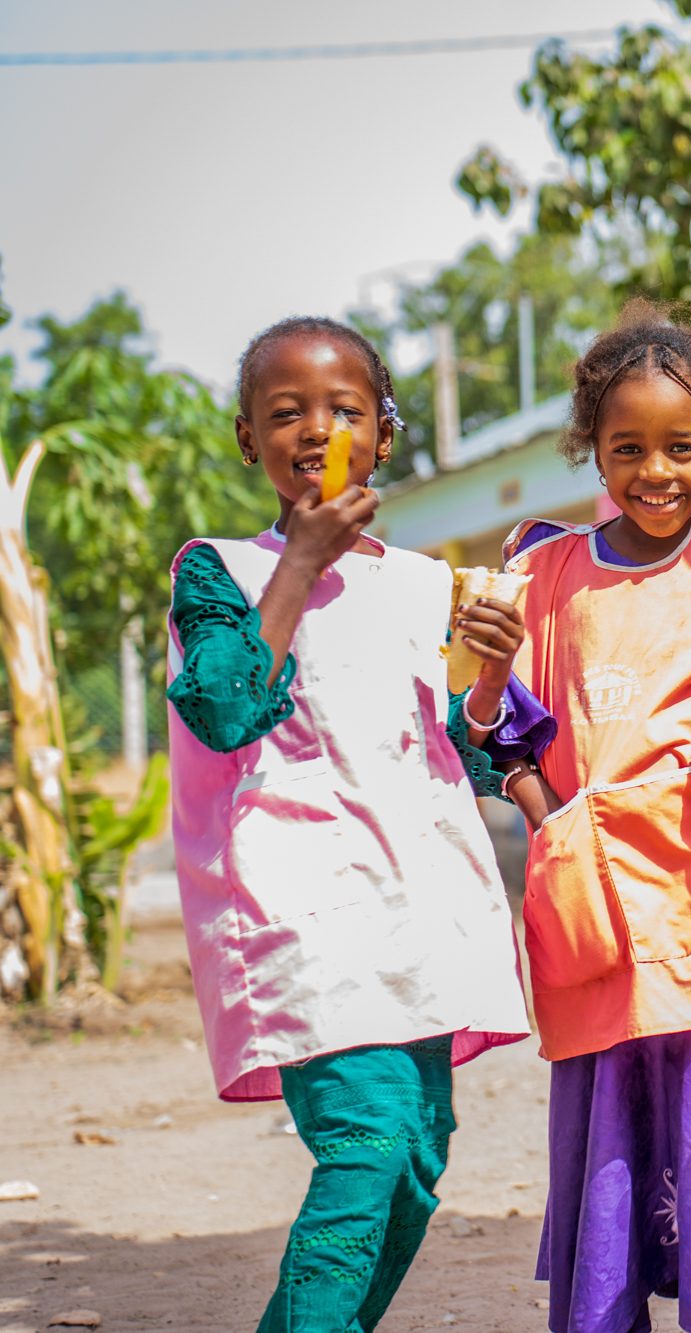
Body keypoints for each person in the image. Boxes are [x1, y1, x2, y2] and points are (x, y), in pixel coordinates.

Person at [165, 316, 529, 1332]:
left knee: (416, 1157)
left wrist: (491, 669)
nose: (316, 431)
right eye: (286, 413)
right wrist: (300, 565)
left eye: (344, 410)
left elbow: (453, 748)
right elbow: (225, 703)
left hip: (416, 917)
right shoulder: (221, 572)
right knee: (364, 1147)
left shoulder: (419, 584)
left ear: (384, 432)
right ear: (248, 438)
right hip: (305, 915)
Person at [498, 307, 691, 1333]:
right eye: (626, 446)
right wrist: (552, 821)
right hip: (593, 930)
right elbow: (501, 728)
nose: (655, 470)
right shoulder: (543, 576)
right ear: (592, 446)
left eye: (682, 446)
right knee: (612, 1175)